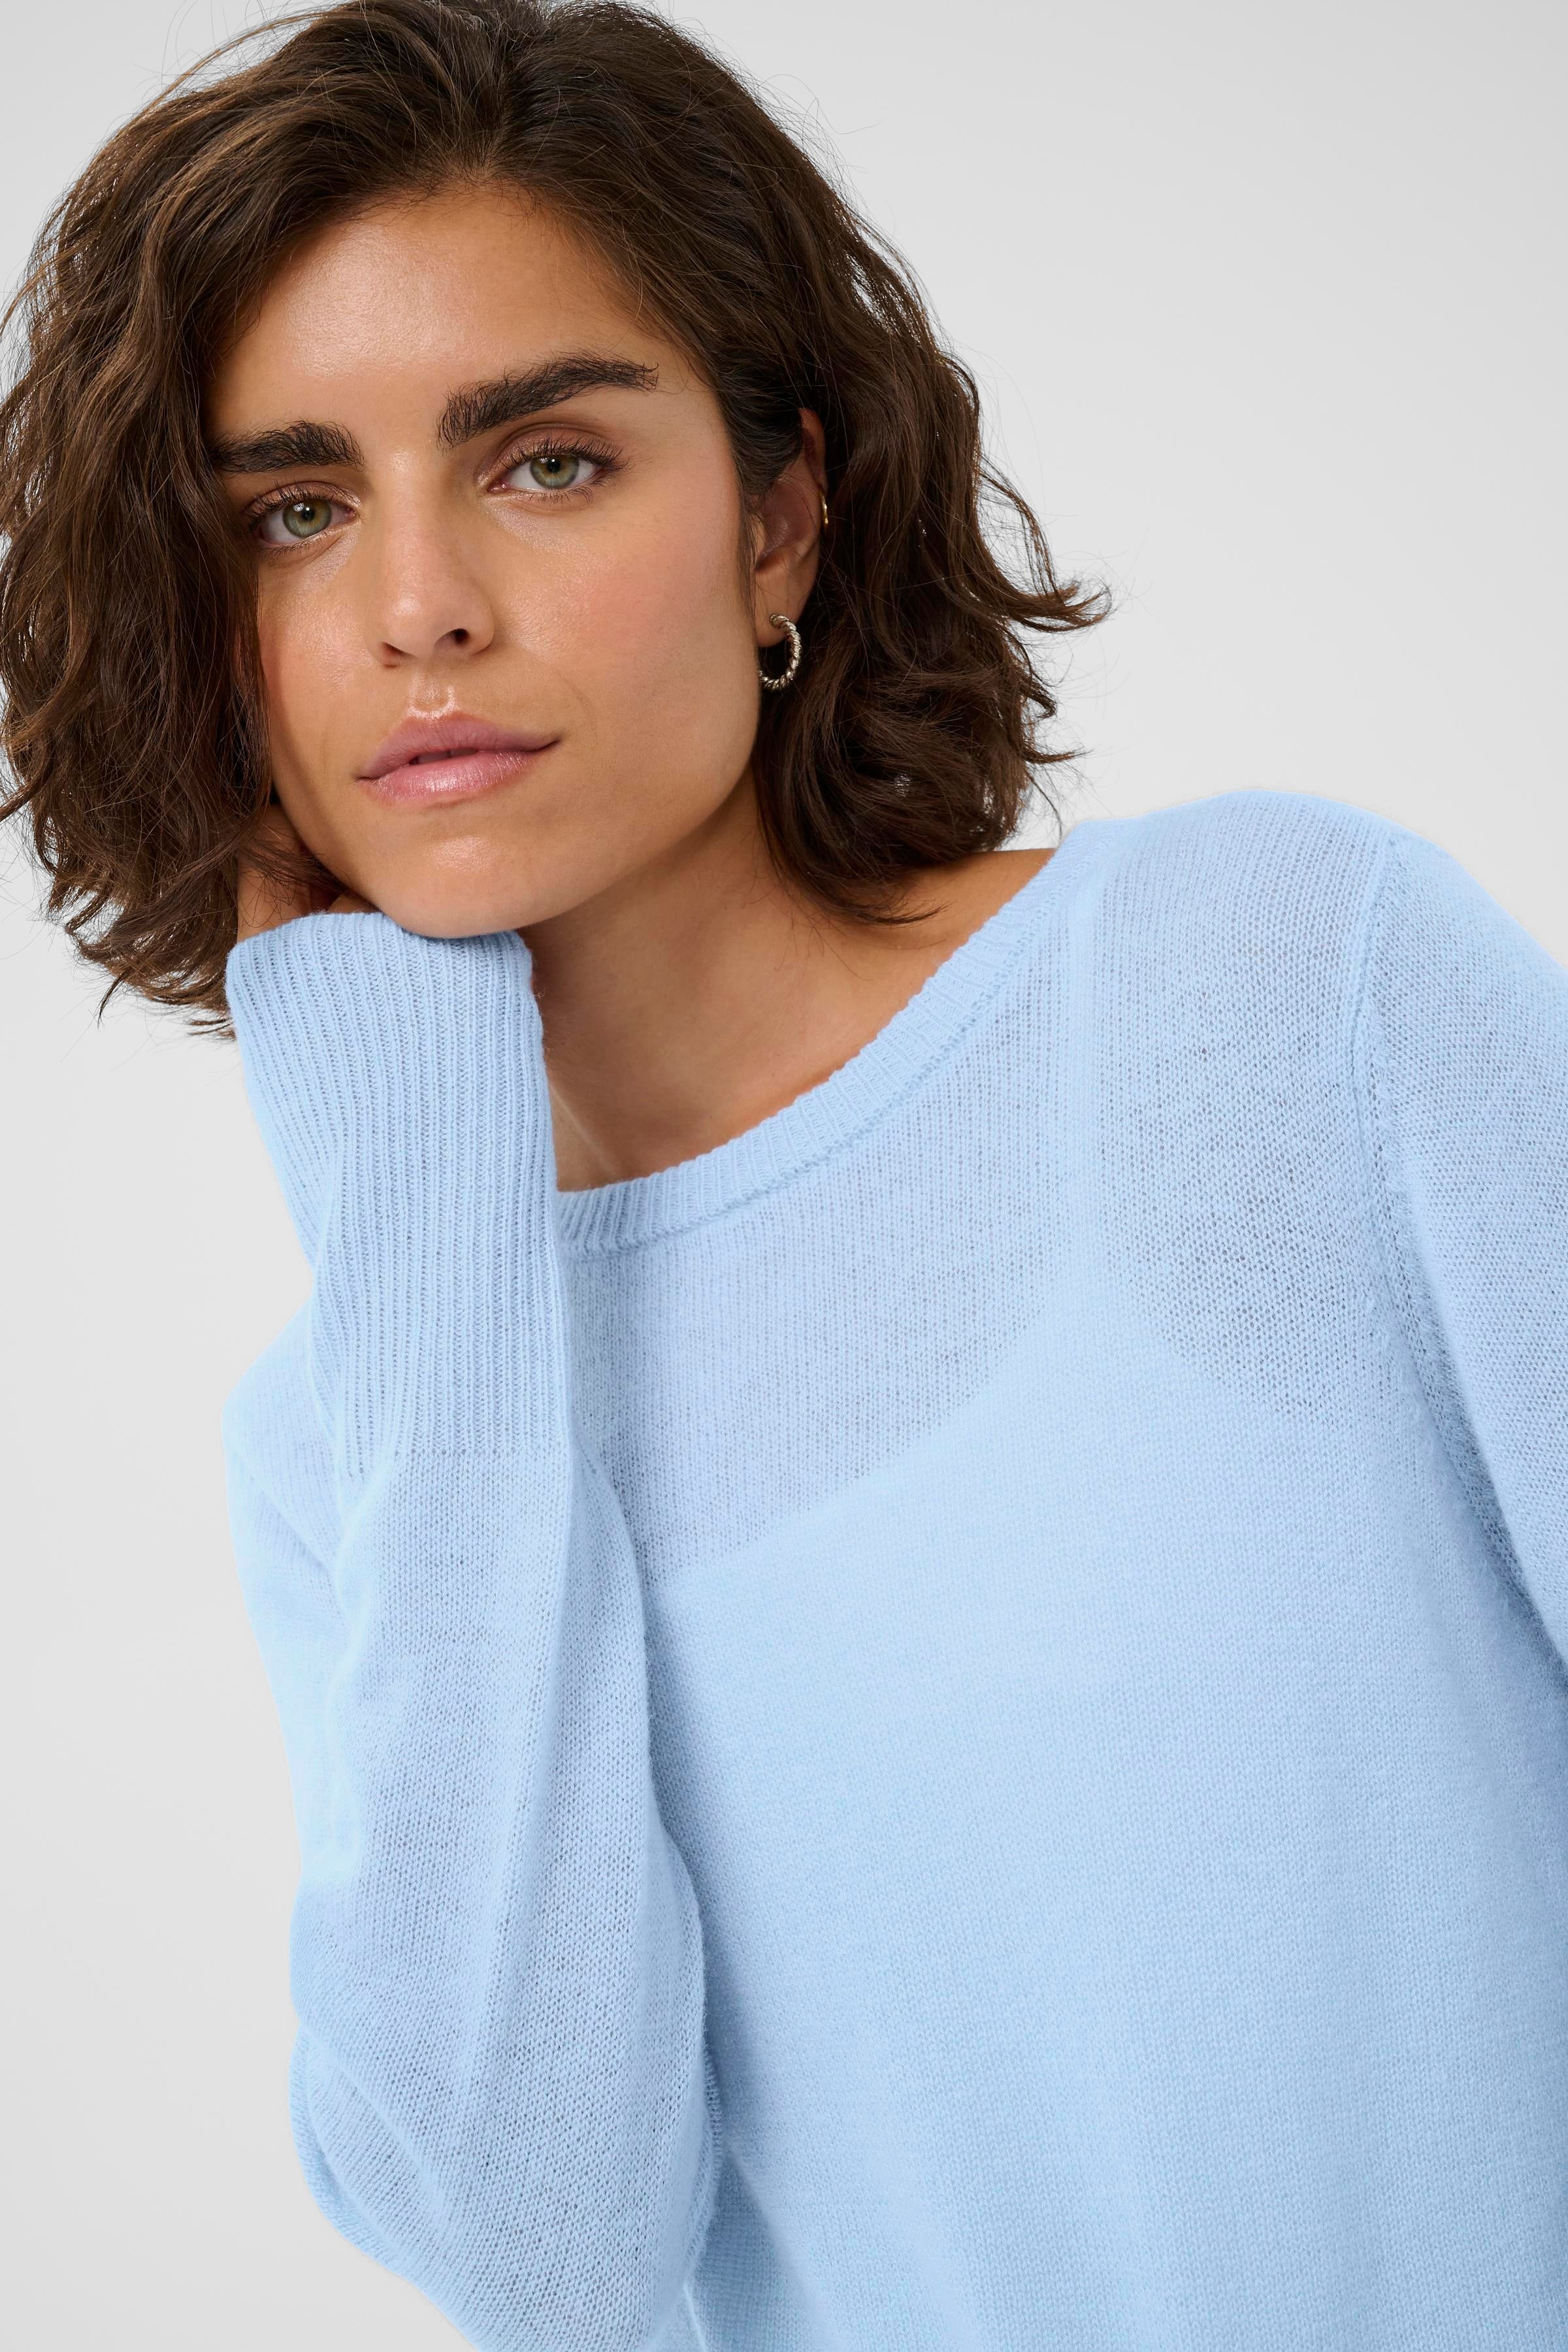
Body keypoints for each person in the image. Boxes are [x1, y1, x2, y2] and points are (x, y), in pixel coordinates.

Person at [4, 1, 1567, 2346]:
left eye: (545, 462)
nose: (419, 606)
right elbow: (548, 2256)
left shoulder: (1281, 986)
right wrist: (430, 1220)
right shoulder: (353, 1437)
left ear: (780, 520)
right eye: (295, 513)